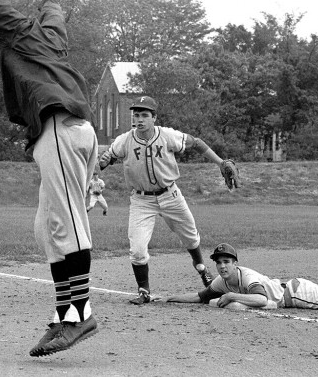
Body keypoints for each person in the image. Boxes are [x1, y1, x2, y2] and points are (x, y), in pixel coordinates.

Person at [0, 0, 98, 356]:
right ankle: (63, 314)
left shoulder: (14, 37)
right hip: (71, 130)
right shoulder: (48, 39)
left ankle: (81, 315)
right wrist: (45, 0)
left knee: (68, 224)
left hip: (59, 125)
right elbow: (56, 21)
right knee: (46, 229)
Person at [99, 95, 239, 305]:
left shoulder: (167, 136)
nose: (139, 119)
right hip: (141, 200)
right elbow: (107, 156)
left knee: (191, 237)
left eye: (144, 115)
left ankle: (202, 269)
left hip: (170, 195)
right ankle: (144, 291)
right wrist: (102, 162)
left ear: (154, 117)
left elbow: (196, 143)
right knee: (137, 250)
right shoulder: (124, 140)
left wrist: (220, 162)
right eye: (136, 115)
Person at [166, 243, 318, 312]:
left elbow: (262, 299)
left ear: (235, 263)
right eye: (218, 262)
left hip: (299, 294)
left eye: (226, 262)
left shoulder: (247, 276)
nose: (221, 266)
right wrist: (169, 298)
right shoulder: (222, 281)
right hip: (294, 290)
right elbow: (199, 296)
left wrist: (231, 297)